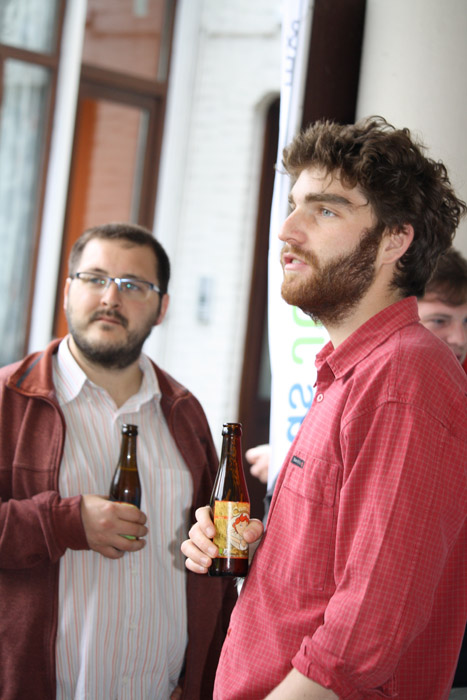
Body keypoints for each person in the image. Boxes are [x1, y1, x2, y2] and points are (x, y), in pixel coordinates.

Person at [182, 117, 467, 699]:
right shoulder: (350, 371)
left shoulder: (403, 376)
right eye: (294, 206)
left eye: (326, 210)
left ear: (394, 241)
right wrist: (266, 550)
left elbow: (367, 630)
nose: (287, 230)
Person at [0, 223, 236, 700]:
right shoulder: (9, 401)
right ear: (68, 291)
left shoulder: (184, 413)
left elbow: (215, 567)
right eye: (94, 278)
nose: (110, 297)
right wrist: (63, 523)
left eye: (133, 285)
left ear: (161, 307)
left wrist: (202, 679)